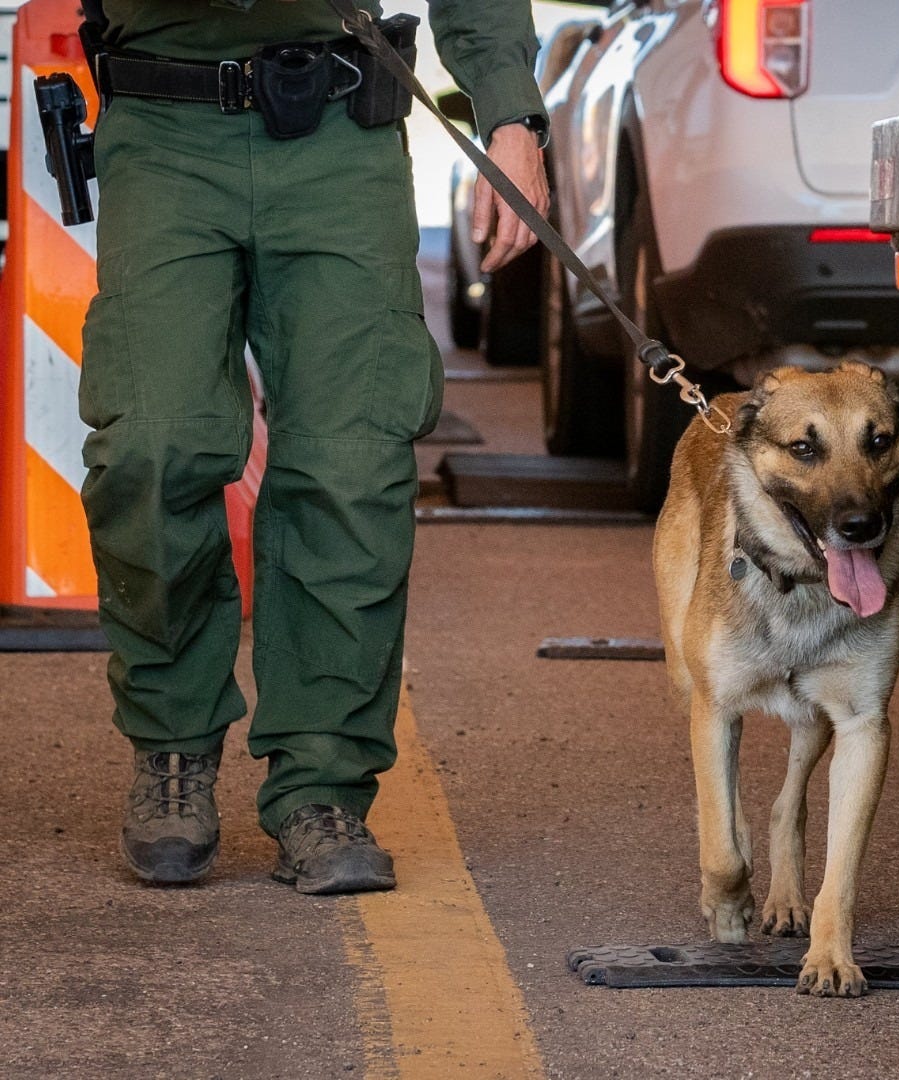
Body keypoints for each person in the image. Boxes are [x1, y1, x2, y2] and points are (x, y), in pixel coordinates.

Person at [79, 0, 550, 891]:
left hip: (338, 132)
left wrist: (511, 113)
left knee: (350, 460)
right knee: (151, 443)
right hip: (163, 130)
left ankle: (322, 784)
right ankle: (172, 746)